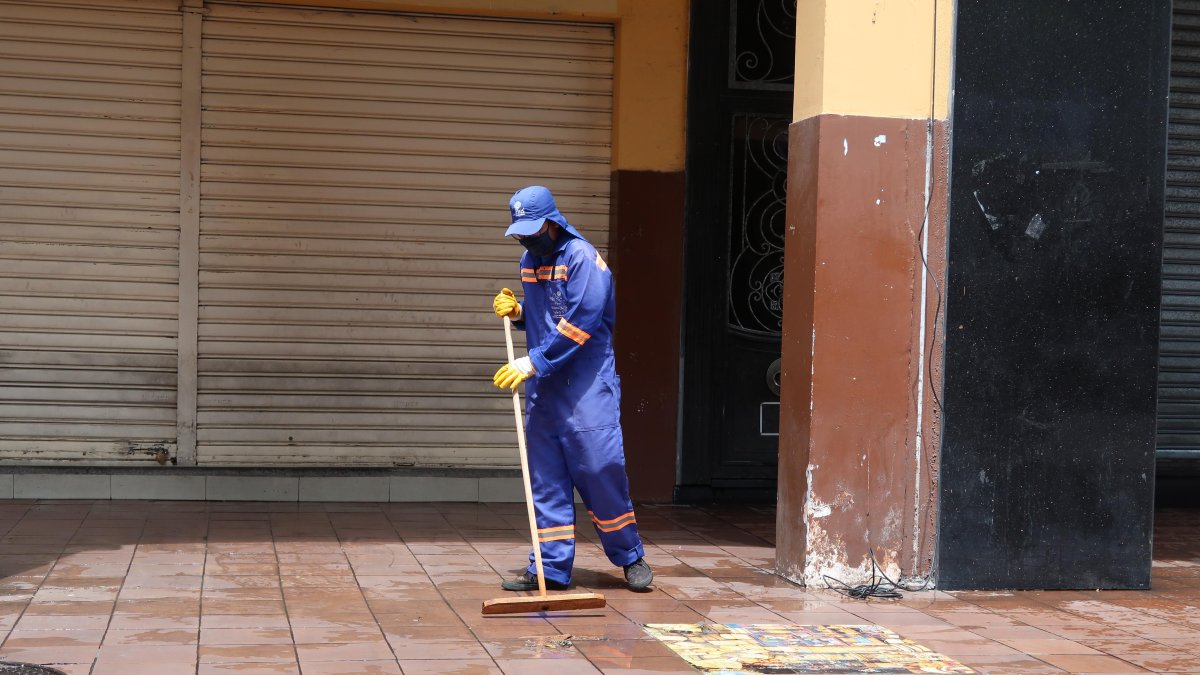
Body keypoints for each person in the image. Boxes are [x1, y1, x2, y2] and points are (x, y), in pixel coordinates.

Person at [490, 185, 653, 592]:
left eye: (531, 230)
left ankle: (630, 557)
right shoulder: (530, 261)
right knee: (546, 480)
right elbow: (548, 319)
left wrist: (532, 362)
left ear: (551, 222)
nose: (526, 239)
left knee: (600, 470)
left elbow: (581, 323)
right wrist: (520, 313)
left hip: (586, 387)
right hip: (545, 391)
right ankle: (549, 568)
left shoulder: (583, 259)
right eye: (520, 233)